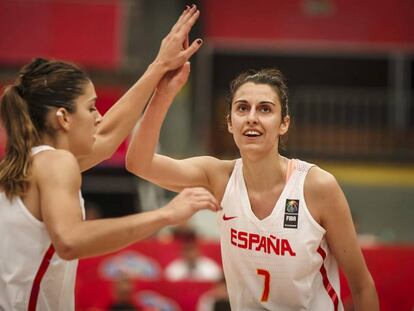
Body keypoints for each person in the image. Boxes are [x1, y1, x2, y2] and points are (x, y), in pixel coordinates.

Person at [0, 6, 219, 311]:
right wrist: (166, 215)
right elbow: (71, 240)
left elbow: (105, 139)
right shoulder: (56, 164)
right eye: (90, 108)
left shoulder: (29, 163)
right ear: (63, 118)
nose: (99, 115)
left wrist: (158, 70)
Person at [125, 67, 380, 310]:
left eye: (265, 109)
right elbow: (139, 163)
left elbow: (362, 286)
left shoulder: (316, 186)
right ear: (229, 123)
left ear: (284, 124)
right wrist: (163, 94)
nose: (252, 118)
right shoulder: (218, 177)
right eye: (242, 108)